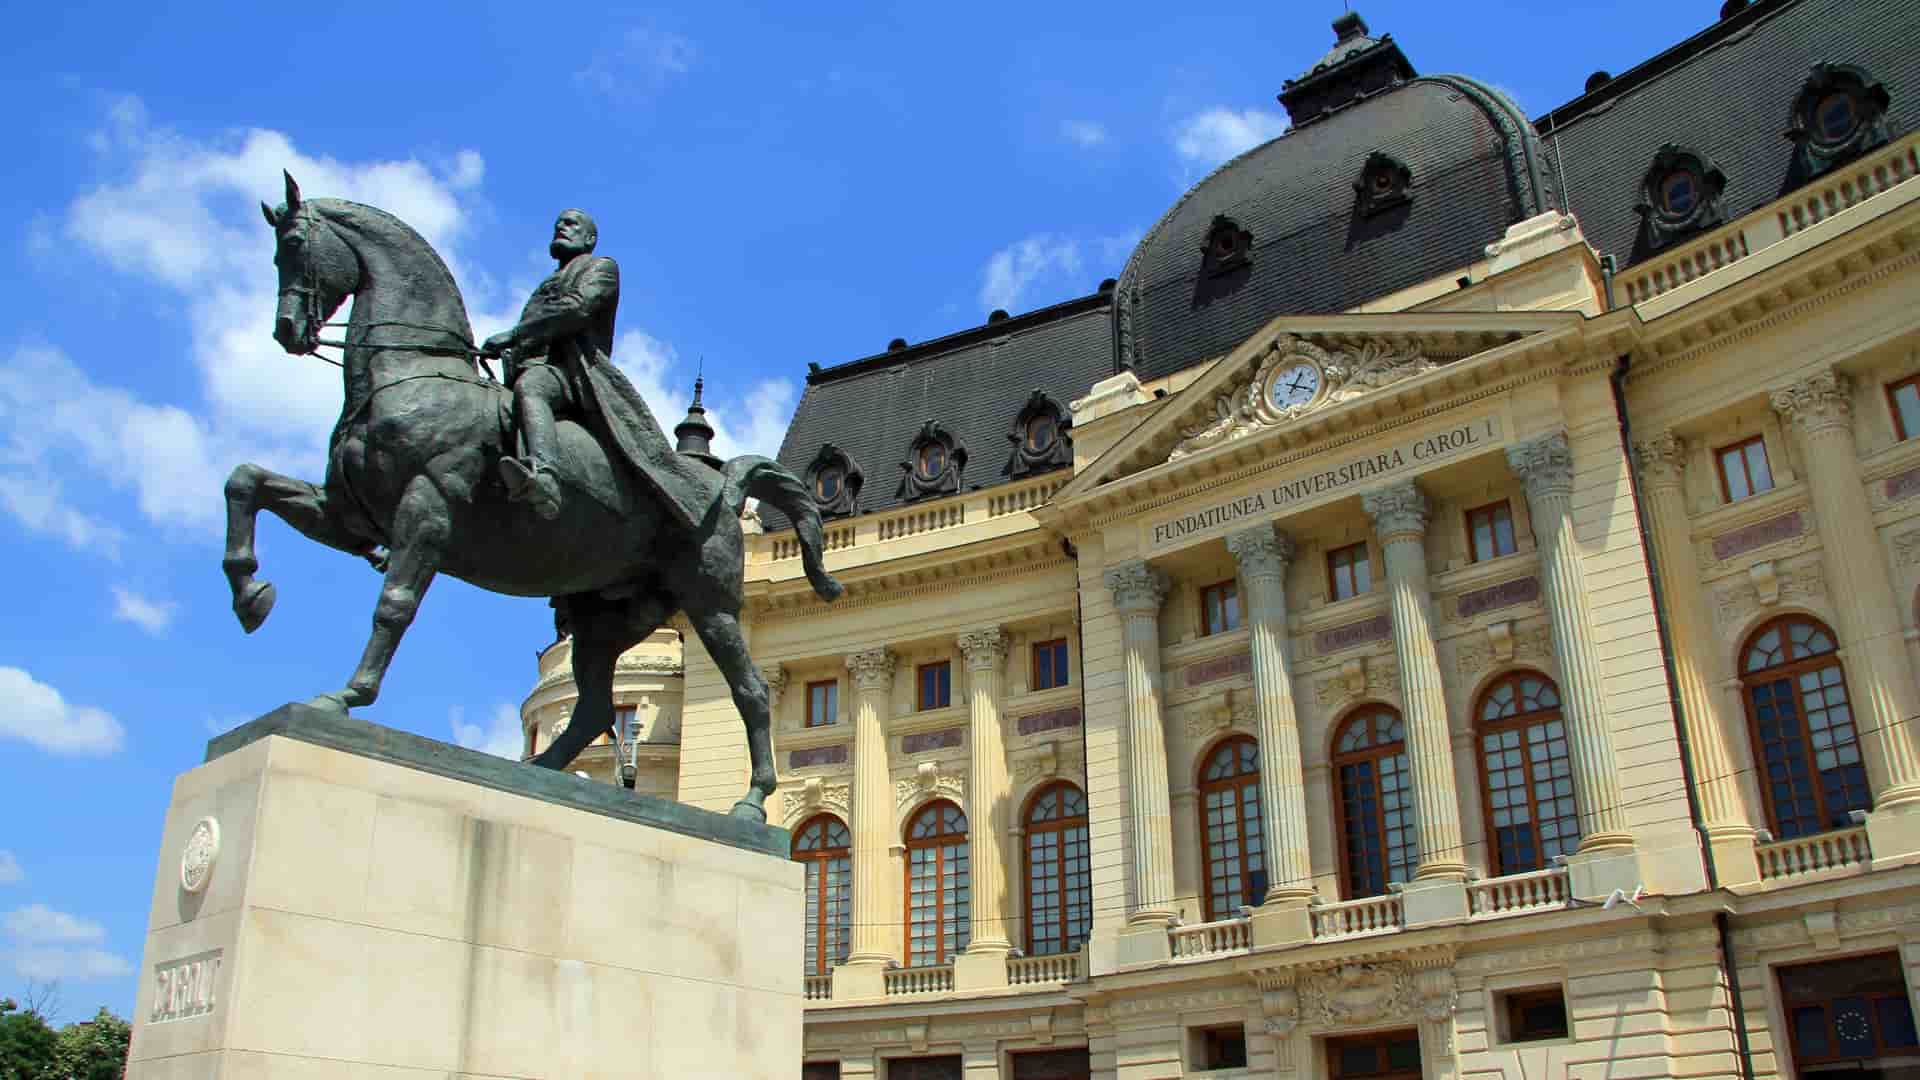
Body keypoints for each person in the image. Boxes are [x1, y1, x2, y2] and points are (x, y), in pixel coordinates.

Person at [482, 210, 711, 528]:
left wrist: (515, 334)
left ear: (590, 239)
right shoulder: (548, 281)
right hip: (526, 367)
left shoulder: (601, 268)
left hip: (570, 373)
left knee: (533, 388)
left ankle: (545, 476)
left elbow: (577, 308)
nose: (561, 226)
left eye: (571, 223)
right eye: (558, 223)